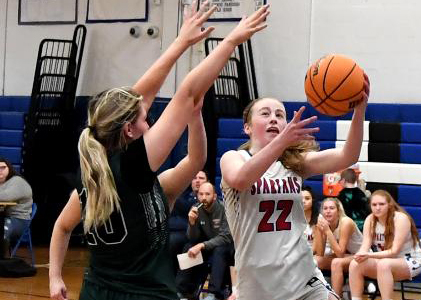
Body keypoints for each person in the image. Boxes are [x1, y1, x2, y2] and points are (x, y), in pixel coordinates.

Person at [49, 3, 270, 300]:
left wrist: (54, 277)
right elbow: (187, 92)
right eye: (145, 119)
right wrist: (231, 41)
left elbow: (61, 227)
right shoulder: (131, 167)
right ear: (130, 131)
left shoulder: (94, 173)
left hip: (98, 291)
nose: (149, 120)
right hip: (142, 294)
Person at [220, 72, 370, 299]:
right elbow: (241, 179)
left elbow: (348, 156)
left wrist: (359, 110)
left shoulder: (296, 164)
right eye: (265, 113)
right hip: (258, 282)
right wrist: (282, 141)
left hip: (303, 276)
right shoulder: (233, 158)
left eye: (279, 115)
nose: (273, 118)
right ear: (247, 127)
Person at [348, 190, 421, 300]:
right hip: (384, 261)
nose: (377, 208)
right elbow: (365, 246)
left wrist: (368, 255)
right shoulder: (370, 219)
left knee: (384, 264)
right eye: (374, 205)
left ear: (389, 204)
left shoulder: (400, 218)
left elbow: (394, 251)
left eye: (381, 204)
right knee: (355, 264)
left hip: (410, 261)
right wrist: (360, 255)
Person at [176, 182, 234, 300]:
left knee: (220, 249)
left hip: (224, 246)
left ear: (214, 196)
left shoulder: (224, 209)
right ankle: (182, 291)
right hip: (206, 247)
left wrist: (202, 245)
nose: (203, 197)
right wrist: (192, 224)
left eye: (207, 194)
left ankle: (213, 293)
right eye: (201, 194)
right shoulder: (196, 209)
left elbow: (226, 237)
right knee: (189, 246)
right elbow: (193, 238)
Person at [313, 198, 363, 297]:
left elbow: (340, 254)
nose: (328, 211)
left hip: (360, 256)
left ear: (338, 211)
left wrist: (327, 231)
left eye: (331, 208)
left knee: (336, 262)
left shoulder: (346, 222)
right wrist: (319, 231)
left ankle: (336, 297)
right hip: (346, 256)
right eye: (325, 208)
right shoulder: (324, 223)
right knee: (315, 260)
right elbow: (320, 254)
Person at [169, 170, 209, 274]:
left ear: (207, 182)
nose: (197, 181)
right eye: (194, 178)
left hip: (195, 234)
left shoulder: (209, 199)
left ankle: (176, 280)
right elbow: (172, 219)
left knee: (174, 241)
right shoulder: (181, 196)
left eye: (201, 178)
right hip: (177, 230)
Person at [0, 157, 33, 256]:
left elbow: (4, 196)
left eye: (3, 167)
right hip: (2, 217)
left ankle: (0, 261)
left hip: (19, 219)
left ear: (9, 168)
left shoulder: (17, 181)